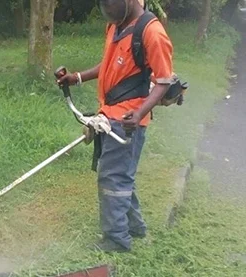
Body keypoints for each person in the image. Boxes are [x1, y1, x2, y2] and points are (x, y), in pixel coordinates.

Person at [57, 0, 174, 253]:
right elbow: (109, 63)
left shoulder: (152, 32)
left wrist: (141, 111)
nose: (107, 9)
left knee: (112, 179)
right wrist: (75, 78)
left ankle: (116, 240)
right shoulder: (116, 25)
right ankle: (134, 226)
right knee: (121, 175)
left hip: (128, 122)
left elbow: (164, 81)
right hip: (109, 115)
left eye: (111, 3)